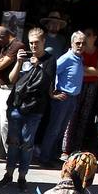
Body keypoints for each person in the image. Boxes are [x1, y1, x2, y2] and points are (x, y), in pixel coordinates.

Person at [0, 28, 54, 189]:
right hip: (16, 106)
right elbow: (11, 80)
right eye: (31, 43)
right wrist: (18, 62)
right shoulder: (24, 58)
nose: (33, 46)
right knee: (14, 142)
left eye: (37, 42)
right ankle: (9, 174)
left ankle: (22, 177)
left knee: (27, 143)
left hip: (35, 109)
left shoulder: (49, 60)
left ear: (44, 42)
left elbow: (46, 83)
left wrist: (38, 67)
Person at [38, 30, 85, 165]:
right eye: (78, 43)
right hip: (63, 98)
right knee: (54, 129)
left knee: (61, 130)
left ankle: (53, 155)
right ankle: (44, 158)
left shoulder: (79, 58)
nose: (80, 46)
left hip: (72, 99)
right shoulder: (67, 57)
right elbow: (50, 72)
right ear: (72, 43)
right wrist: (52, 93)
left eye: (83, 43)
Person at [0, 25, 22, 165]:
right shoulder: (5, 46)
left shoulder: (17, 45)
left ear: (3, 36)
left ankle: (10, 154)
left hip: (9, 89)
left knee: (5, 124)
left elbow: (0, 65)